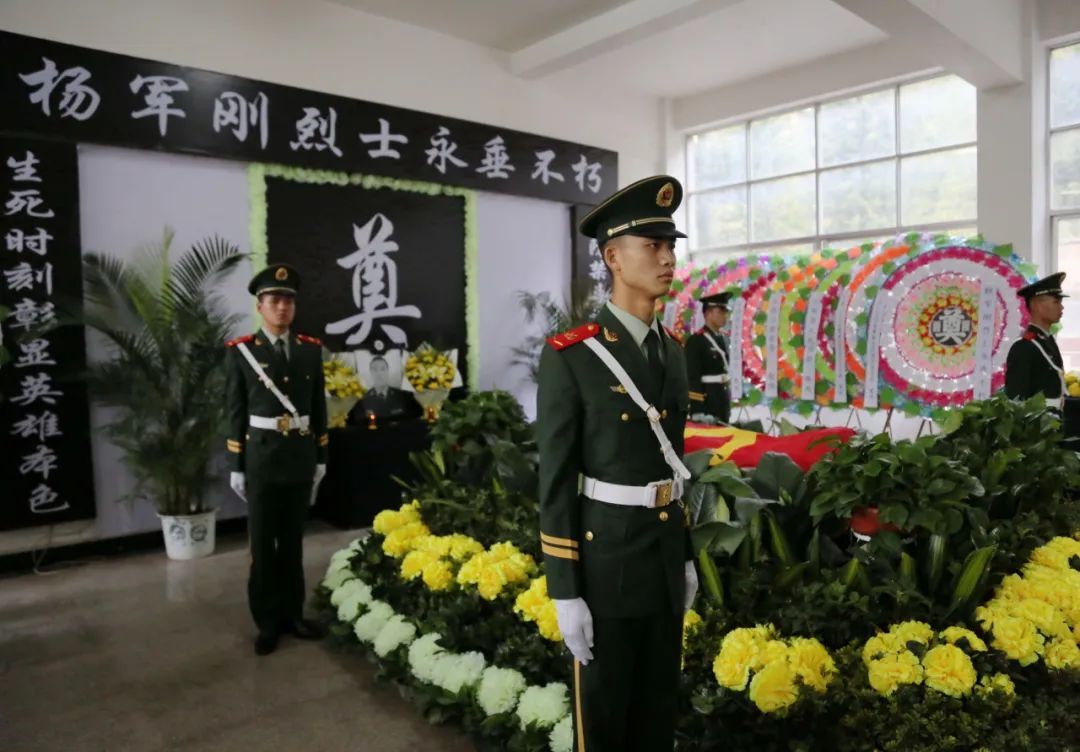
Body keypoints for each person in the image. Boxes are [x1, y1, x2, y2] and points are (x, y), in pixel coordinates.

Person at [536, 175, 697, 751]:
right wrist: (564, 590)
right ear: (612, 257)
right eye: (651, 245)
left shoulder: (671, 351)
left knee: (657, 711)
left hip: (660, 555)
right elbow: (554, 482)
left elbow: (674, 463)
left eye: (671, 245)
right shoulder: (572, 356)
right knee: (603, 720)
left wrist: (684, 556)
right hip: (605, 562)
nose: (667, 257)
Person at [225, 262, 329, 656]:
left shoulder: (309, 351)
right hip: (262, 461)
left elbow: (318, 406)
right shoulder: (242, 353)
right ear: (260, 306)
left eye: (288, 300)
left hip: (299, 459)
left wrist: (321, 454)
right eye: (274, 300)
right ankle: (267, 621)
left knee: (293, 544)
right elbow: (234, 413)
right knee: (264, 547)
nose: (282, 307)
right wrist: (237, 465)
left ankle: (293, 615)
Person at [1004, 272, 1067, 402]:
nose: (1062, 307)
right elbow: (1016, 400)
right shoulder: (1023, 347)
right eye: (1056, 302)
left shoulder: (1047, 340)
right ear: (1036, 306)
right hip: (1039, 421)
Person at [685, 292, 732, 424]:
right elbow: (692, 377)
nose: (725, 316)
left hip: (722, 400)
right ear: (708, 313)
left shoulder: (724, 338)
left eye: (726, 312)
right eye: (721, 311)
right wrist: (697, 410)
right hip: (707, 402)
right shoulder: (696, 341)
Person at [354, 354, 411, 420]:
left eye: (383, 369)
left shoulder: (401, 395)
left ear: (387, 371)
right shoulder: (363, 398)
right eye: (375, 370)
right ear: (371, 373)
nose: (379, 373)